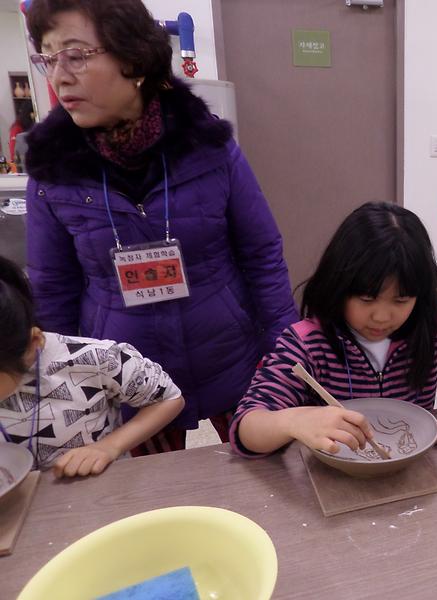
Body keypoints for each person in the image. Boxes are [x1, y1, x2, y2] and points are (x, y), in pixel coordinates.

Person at [23, 0, 298, 455]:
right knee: (151, 498)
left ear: (133, 59)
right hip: (125, 368)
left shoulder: (209, 146)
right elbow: (53, 289)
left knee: (265, 469)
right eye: (48, 58)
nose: (60, 76)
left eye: (75, 55)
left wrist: (284, 349)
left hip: (227, 350)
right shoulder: (52, 171)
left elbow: (261, 253)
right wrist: (68, 383)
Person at [230, 202, 437, 457]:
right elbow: (246, 427)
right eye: (366, 299)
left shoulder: (430, 330)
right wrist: (293, 421)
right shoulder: (306, 343)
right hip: (334, 476)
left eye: (401, 300)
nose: (381, 317)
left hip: (408, 469)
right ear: (338, 286)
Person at [0, 256, 184, 477]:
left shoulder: (92, 358)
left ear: (33, 344)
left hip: (97, 492)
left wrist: (109, 447)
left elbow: (169, 398)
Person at [8, 99, 34, 169]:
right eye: (32, 113)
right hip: (20, 166)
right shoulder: (17, 128)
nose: (33, 115)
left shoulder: (29, 125)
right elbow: (13, 152)